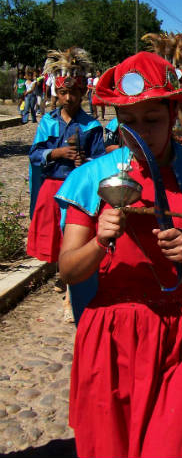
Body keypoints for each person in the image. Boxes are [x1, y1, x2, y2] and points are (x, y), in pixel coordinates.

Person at [56, 51, 182, 458]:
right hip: (111, 339)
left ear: (174, 111)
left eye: (152, 121)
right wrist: (99, 241)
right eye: (129, 123)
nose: (140, 132)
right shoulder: (91, 178)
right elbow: (68, 270)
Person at [27, 47, 105, 323]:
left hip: (78, 192)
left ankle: (71, 293)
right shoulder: (48, 122)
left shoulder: (91, 126)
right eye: (63, 93)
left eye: (73, 93)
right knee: (56, 239)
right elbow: (35, 154)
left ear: (82, 93)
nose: (68, 98)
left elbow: (100, 159)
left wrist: (87, 163)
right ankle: (65, 275)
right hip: (52, 188)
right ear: (56, 94)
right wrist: (57, 153)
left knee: (75, 237)